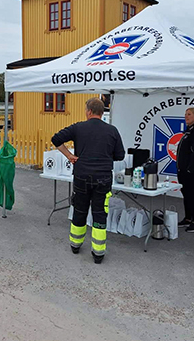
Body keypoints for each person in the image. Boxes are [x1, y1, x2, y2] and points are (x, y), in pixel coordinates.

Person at [51, 97, 125, 264]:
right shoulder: (112, 130)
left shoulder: (78, 127)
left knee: (80, 210)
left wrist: (70, 156)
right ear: (102, 112)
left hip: (82, 176)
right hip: (103, 178)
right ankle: (98, 253)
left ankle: (75, 245)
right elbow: (120, 155)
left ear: (89, 111)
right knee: (100, 213)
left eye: (86, 110)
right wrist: (105, 156)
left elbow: (56, 139)